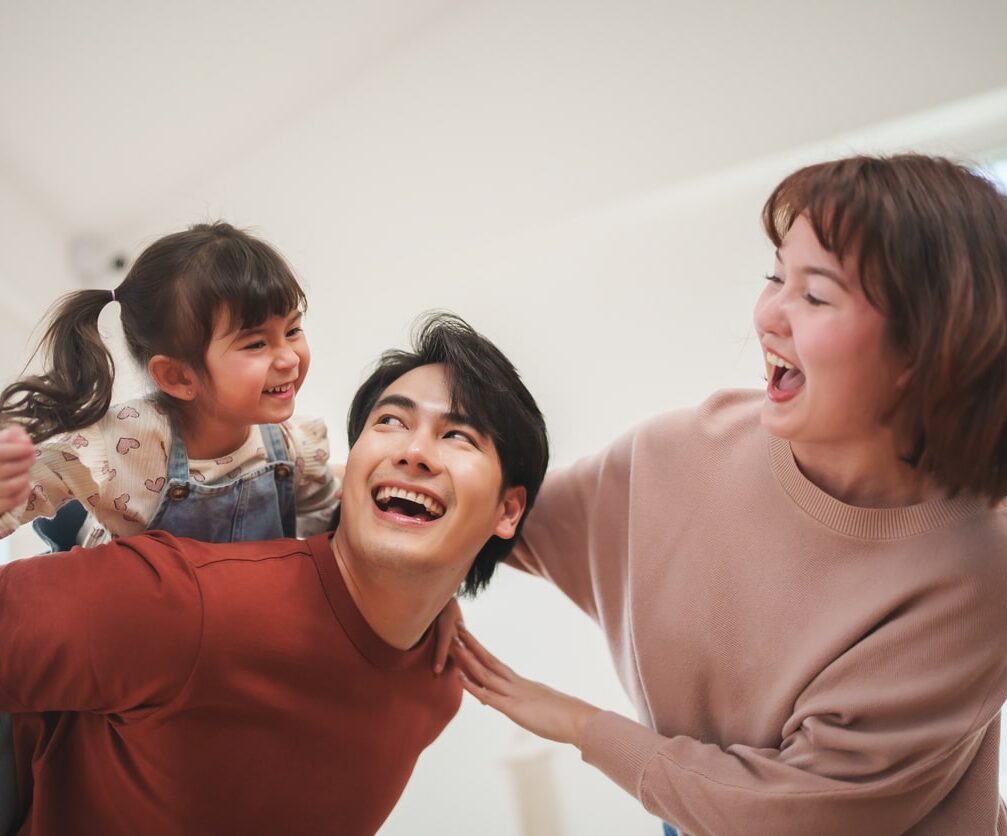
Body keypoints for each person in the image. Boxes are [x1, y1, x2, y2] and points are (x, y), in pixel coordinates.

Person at [452, 154, 1007, 835]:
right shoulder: (679, 452)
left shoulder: (977, 569)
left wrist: (579, 724)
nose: (769, 315)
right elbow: (491, 520)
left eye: (814, 295)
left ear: (922, 348)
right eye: (775, 274)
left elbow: (797, 814)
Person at [0, 312, 549, 835]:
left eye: (458, 436)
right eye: (390, 421)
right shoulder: (181, 601)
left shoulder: (438, 686)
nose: (413, 451)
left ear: (509, 511)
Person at [0, 221, 338, 550]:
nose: (289, 360)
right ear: (179, 377)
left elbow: (323, 542)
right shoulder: (118, 445)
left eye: (293, 331)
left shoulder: (296, 448)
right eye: (255, 344)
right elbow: (20, 500)